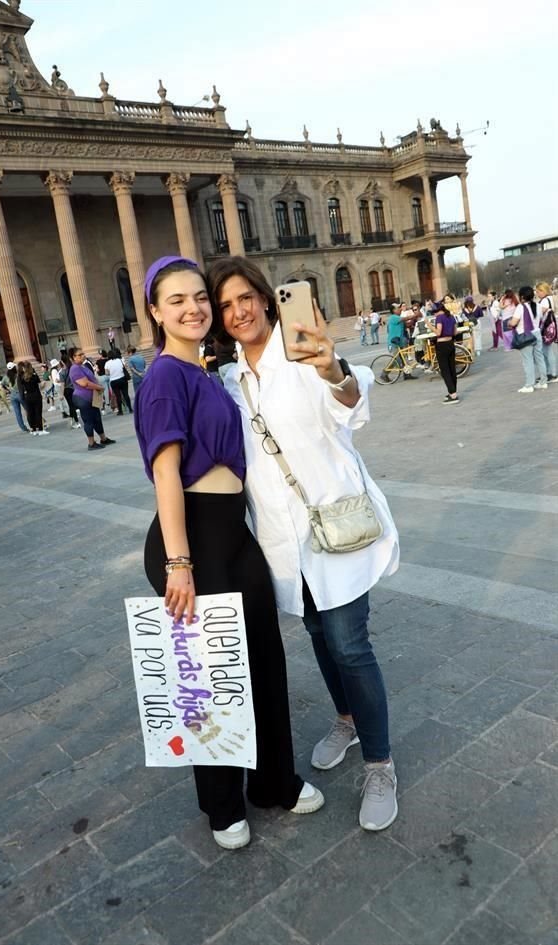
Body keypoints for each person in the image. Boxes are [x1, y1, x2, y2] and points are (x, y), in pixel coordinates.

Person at [135, 254, 323, 850]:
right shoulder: (164, 376)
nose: (193, 309)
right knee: (210, 675)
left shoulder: (207, 372)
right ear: (155, 312)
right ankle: (221, 804)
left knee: (263, 659)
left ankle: (273, 782)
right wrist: (179, 563)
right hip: (190, 538)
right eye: (177, 302)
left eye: (199, 299)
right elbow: (167, 474)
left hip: (232, 533)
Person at [208, 255, 399, 833]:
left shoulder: (303, 356)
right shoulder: (227, 379)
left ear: (267, 298)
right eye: (226, 305)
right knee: (317, 631)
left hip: (335, 525)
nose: (239, 311)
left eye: (246, 297)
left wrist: (332, 366)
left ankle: (380, 762)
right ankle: (346, 718)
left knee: (349, 643)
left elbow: (348, 403)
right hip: (282, 540)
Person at [69, 348, 115, 450]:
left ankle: (103, 438)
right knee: (88, 420)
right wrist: (99, 387)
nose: (82, 356)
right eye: (79, 355)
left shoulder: (83, 366)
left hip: (92, 397)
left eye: (83, 354)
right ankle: (91, 443)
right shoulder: (75, 368)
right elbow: (84, 383)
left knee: (97, 418)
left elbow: (92, 379)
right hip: (83, 398)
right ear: (73, 357)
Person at [508, 286, 547, 393]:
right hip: (537, 333)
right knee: (540, 358)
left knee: (527, 360)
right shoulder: (538, 305)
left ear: (522, 296)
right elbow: (544, 313)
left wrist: (509, 323)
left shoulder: (520, 307)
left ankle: (529, 385)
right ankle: (543, 382)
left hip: (526, 336)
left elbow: (514, 323)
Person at [431, 299, 460, 404]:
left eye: (434, 312)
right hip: (450, 344)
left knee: (445, 370)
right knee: (452, 369)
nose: (434, 314)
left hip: (442, 345)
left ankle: (453, 395)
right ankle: (453, 391)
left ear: (437, 311)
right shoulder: (451, 316)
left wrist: (429, 326)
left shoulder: (439, 318)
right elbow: (455, 331)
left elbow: (438, 332)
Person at [382, 303, 415, 382]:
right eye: (398, 308)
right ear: (393, 310)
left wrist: (414, 321)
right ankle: (384, 373)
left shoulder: (399, 318)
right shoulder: (393, 317)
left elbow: (407, 324)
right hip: (394, 342)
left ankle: (407, 374)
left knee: (404, 358)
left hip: (400, 341)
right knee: (397, 359)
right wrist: (415, 314)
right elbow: (406, 318)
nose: (400, 309)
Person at [535, 282, 558, 383]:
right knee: (548, 351)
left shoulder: (544, 300)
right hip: (549, 326)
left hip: (545, 327)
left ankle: (552, 373)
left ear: (543, 291)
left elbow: (539, 314)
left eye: (538, 291)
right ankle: (550, 373)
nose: (537, 293)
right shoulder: (550, 298)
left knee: (547, 351)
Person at [17, 361, 48, 435]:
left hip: (27, 396)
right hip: (36, 395)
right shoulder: (34, 376)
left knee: (30, 413)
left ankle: (33, 429)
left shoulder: (21, 377)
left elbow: (20, 388)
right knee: (38, 412)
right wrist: (44, 384)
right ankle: (40, 429)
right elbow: (40, 386)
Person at [2, 362, 28, 432]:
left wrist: (8, 390)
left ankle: (23, 427)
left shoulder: (5, 376)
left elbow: (2, 385)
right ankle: (34, 423)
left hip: (12, 395)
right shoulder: (18, 375)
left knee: (17, 413)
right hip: (20, 394)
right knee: (28, 409)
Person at [105, 349, 132, 415]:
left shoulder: (107, 363)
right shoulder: (120, 360)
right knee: (126, 394)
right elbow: (125, 367)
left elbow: (107, 373)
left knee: (118, 396)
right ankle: (130, 409)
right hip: (122, 379)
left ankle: (120, 411)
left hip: (114, 381)